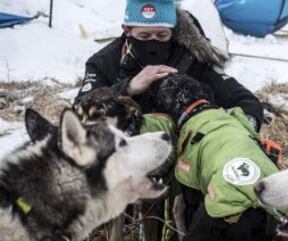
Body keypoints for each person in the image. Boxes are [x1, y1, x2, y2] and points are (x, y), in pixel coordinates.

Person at [73, 0, 272, 240]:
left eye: (162, 34)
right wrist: (128, 87)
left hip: (184, 152)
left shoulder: (191, 57)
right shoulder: (106, 61)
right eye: (144, 35)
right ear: (127, 30)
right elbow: (82, 109)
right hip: (127, 150)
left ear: (173, 30)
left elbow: (244, 100)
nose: (153, 42)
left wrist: (240, 132)